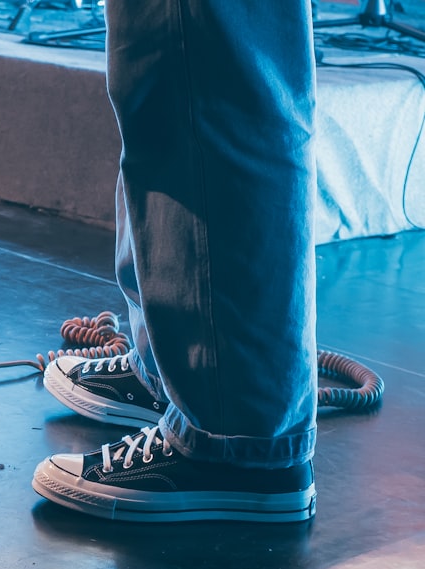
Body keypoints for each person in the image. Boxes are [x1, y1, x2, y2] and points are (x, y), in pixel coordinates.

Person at [31, 0, 319, 523]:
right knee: (165, 78)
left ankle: (234, 440)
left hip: (238, 440)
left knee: (208, 75)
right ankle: (174, 373)